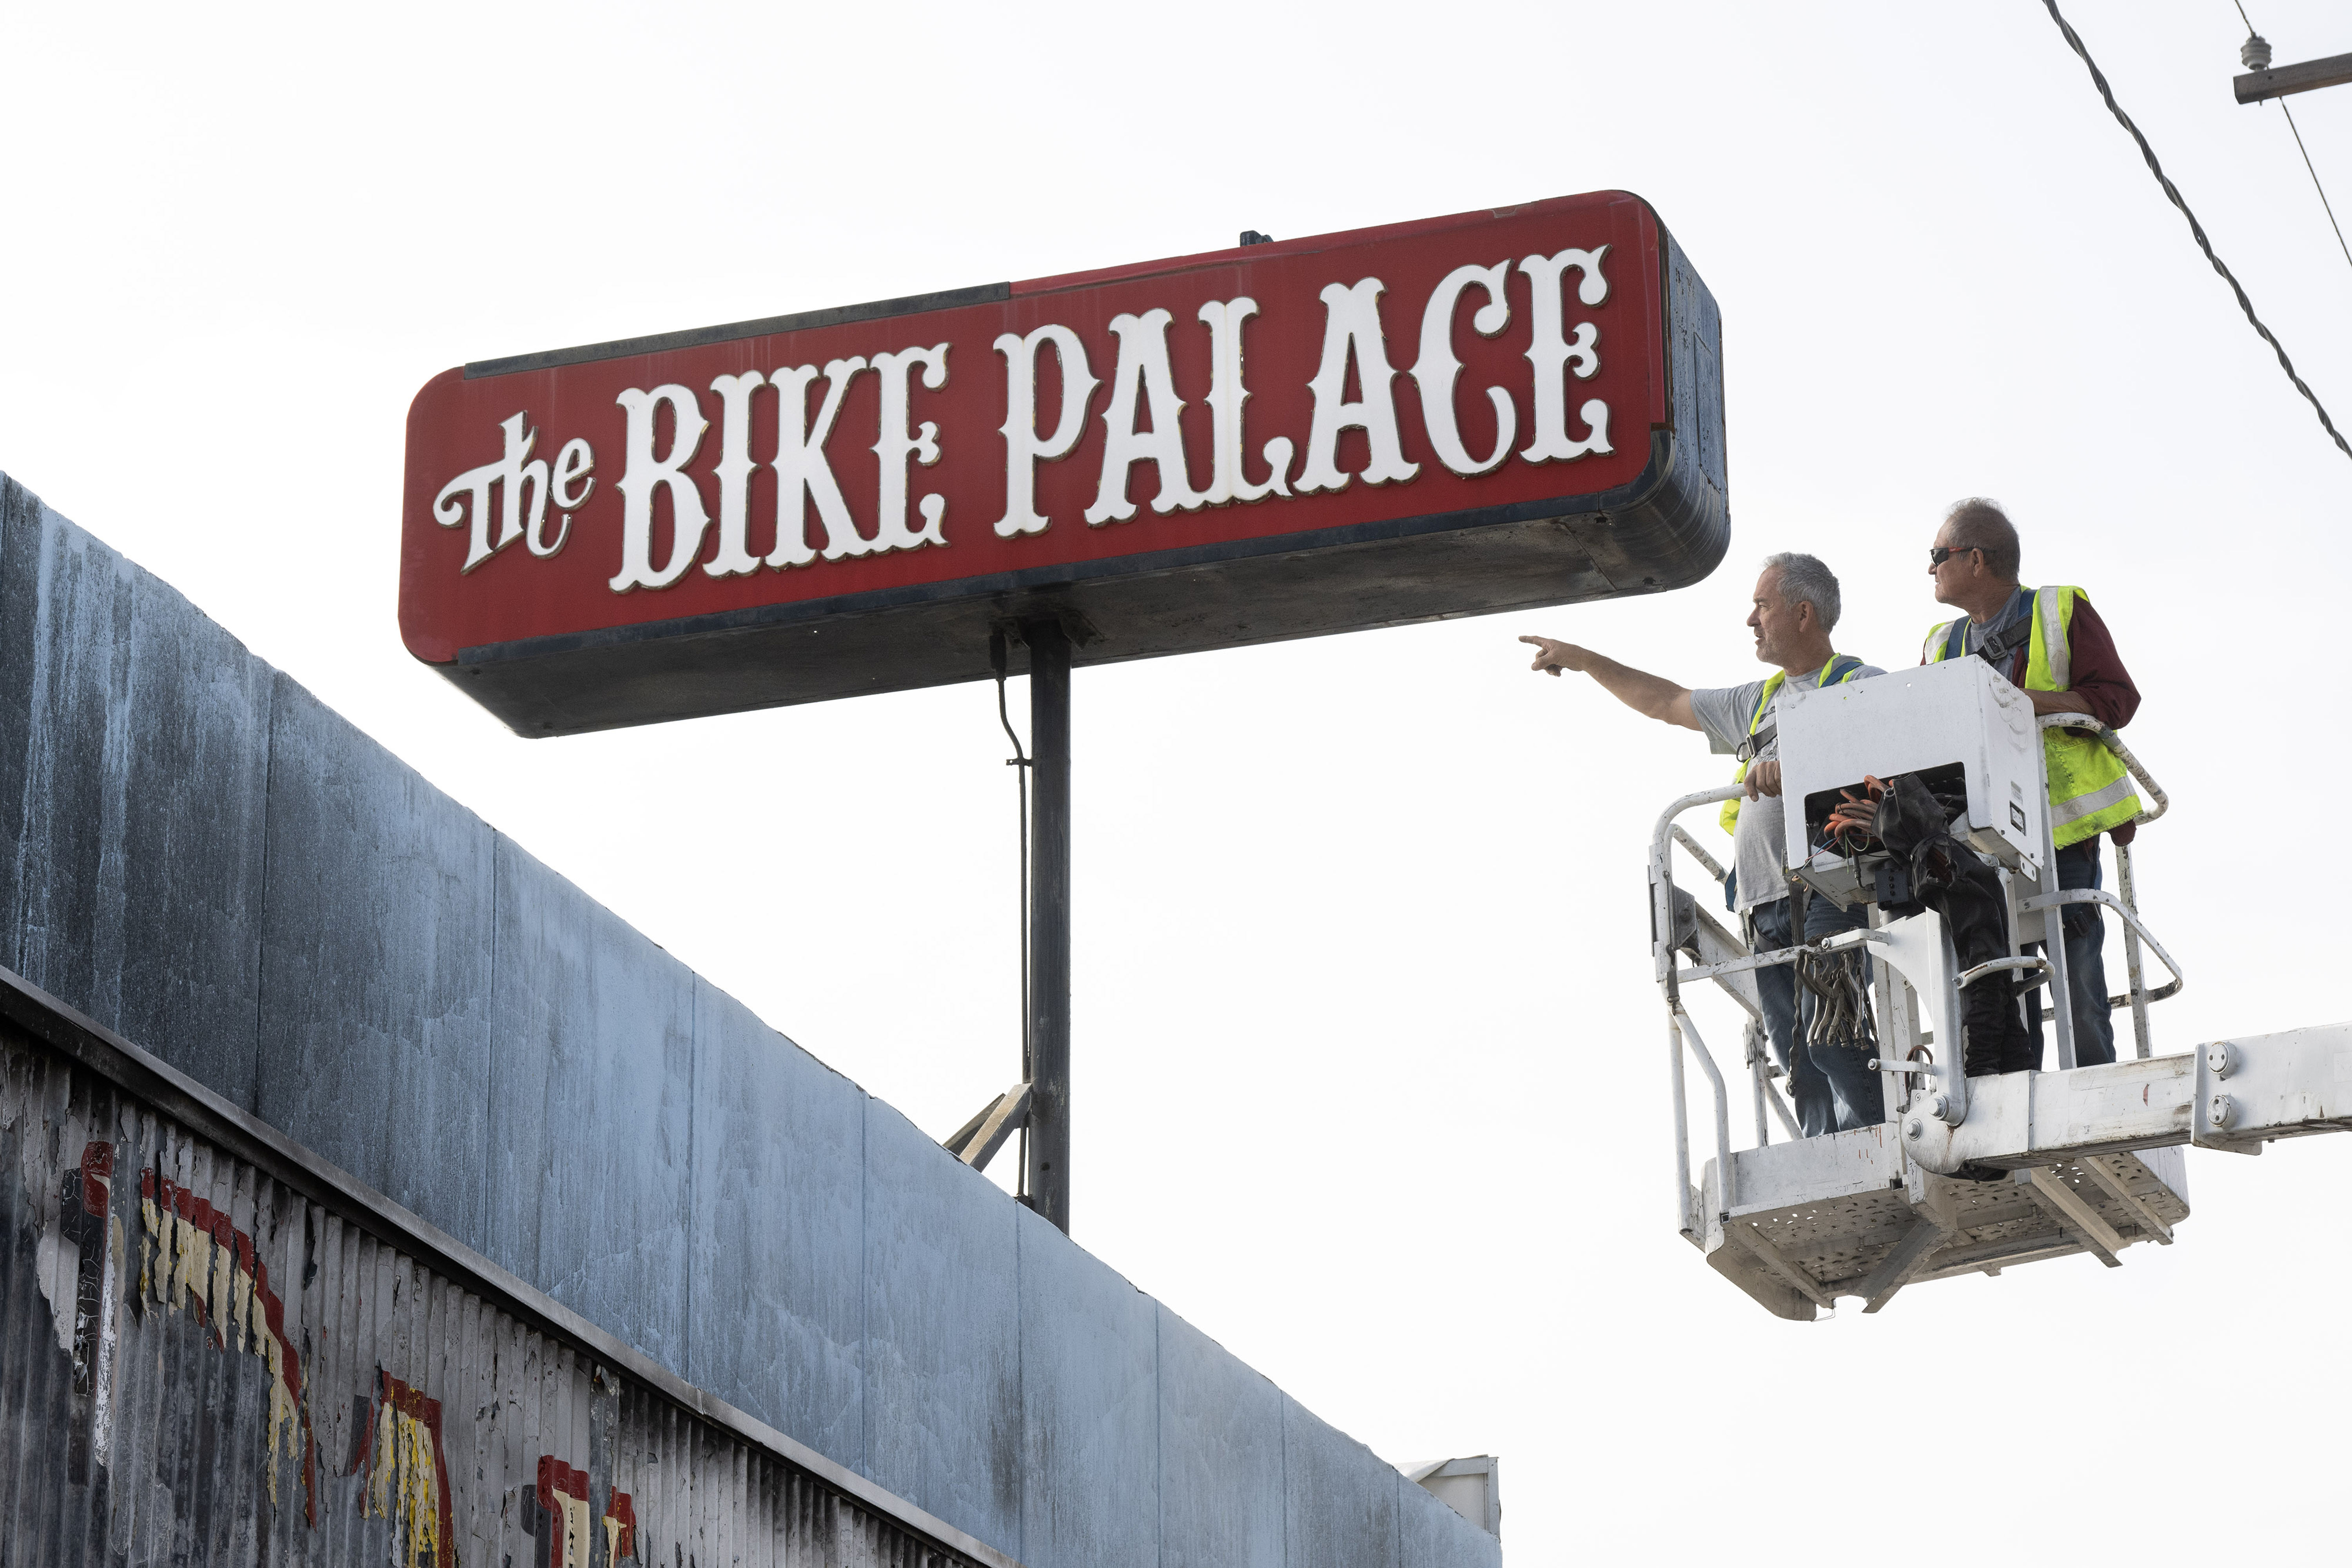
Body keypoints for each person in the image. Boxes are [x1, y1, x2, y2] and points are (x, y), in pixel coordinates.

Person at [1523, 554, 1886, 1136]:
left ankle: (1880, 1142)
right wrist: (1586, 660)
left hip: (1832, 890)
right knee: (1798, 1061)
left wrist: (1800, 767)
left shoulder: (1861, 686)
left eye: (1762, 606)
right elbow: (1666, 702)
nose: (1751, 619)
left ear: (1803, 614)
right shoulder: (1758, 701)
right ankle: (1832, 1156)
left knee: (1833, 1037)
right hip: (1762, 903)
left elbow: (1890, 769)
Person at [1922, 497, 2142, 1069]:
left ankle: (2092, 1088)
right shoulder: (1939, 645)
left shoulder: (2059, 611)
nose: (1930, 567)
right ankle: (2021, 1088)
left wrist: (2020, 703)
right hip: (1978, 841)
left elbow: (2116, 701)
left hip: (2059, 833)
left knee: (2077, 981)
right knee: (2000, 979)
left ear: (1975, 560)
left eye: (1938, 555)